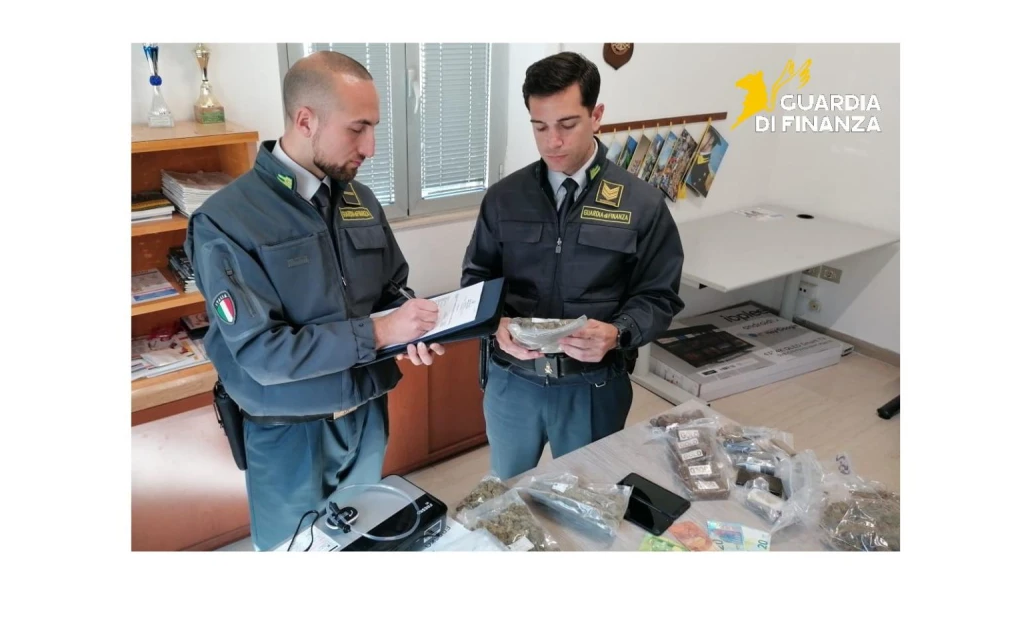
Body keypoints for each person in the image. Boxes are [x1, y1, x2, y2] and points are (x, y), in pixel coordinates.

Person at [185, 51, 444, 551]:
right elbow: (261, 352)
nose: (370, 147)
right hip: (289, 433)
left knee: (362, 544)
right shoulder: (226, 221)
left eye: (374, 128)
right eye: (357, 128)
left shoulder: (359, 199)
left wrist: (414, 325)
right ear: (306, 120)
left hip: (367, 417)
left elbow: (392, 287)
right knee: (296, 551)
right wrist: (380, 332)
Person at [460, 51, 685, 479]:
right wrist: (495, 323)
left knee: (589, 494)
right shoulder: (504, 198)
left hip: (592, 386)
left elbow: (659, 296)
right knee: (507, 491)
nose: (552, 142)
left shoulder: (642, 204)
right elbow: (477, 278)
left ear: (596, 116)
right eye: (540, 127)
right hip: (512, 382)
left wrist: (618, 332)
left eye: (567, 125)